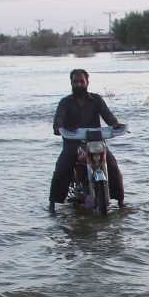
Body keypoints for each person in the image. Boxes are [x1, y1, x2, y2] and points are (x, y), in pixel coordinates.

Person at [50, 69, 126, 213]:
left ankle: (121, 202)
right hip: (73, 143)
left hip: (96, 142)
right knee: (61, 169)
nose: (78, 84)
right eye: (75, 82)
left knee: (113, 167)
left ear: (87, 82)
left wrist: (115, 124)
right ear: (71, 83)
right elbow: (58, 119)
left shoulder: (96, 99)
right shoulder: (65, 102)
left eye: (81, 81)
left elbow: (108, 116)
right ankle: (53, 204)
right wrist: (58, 127)